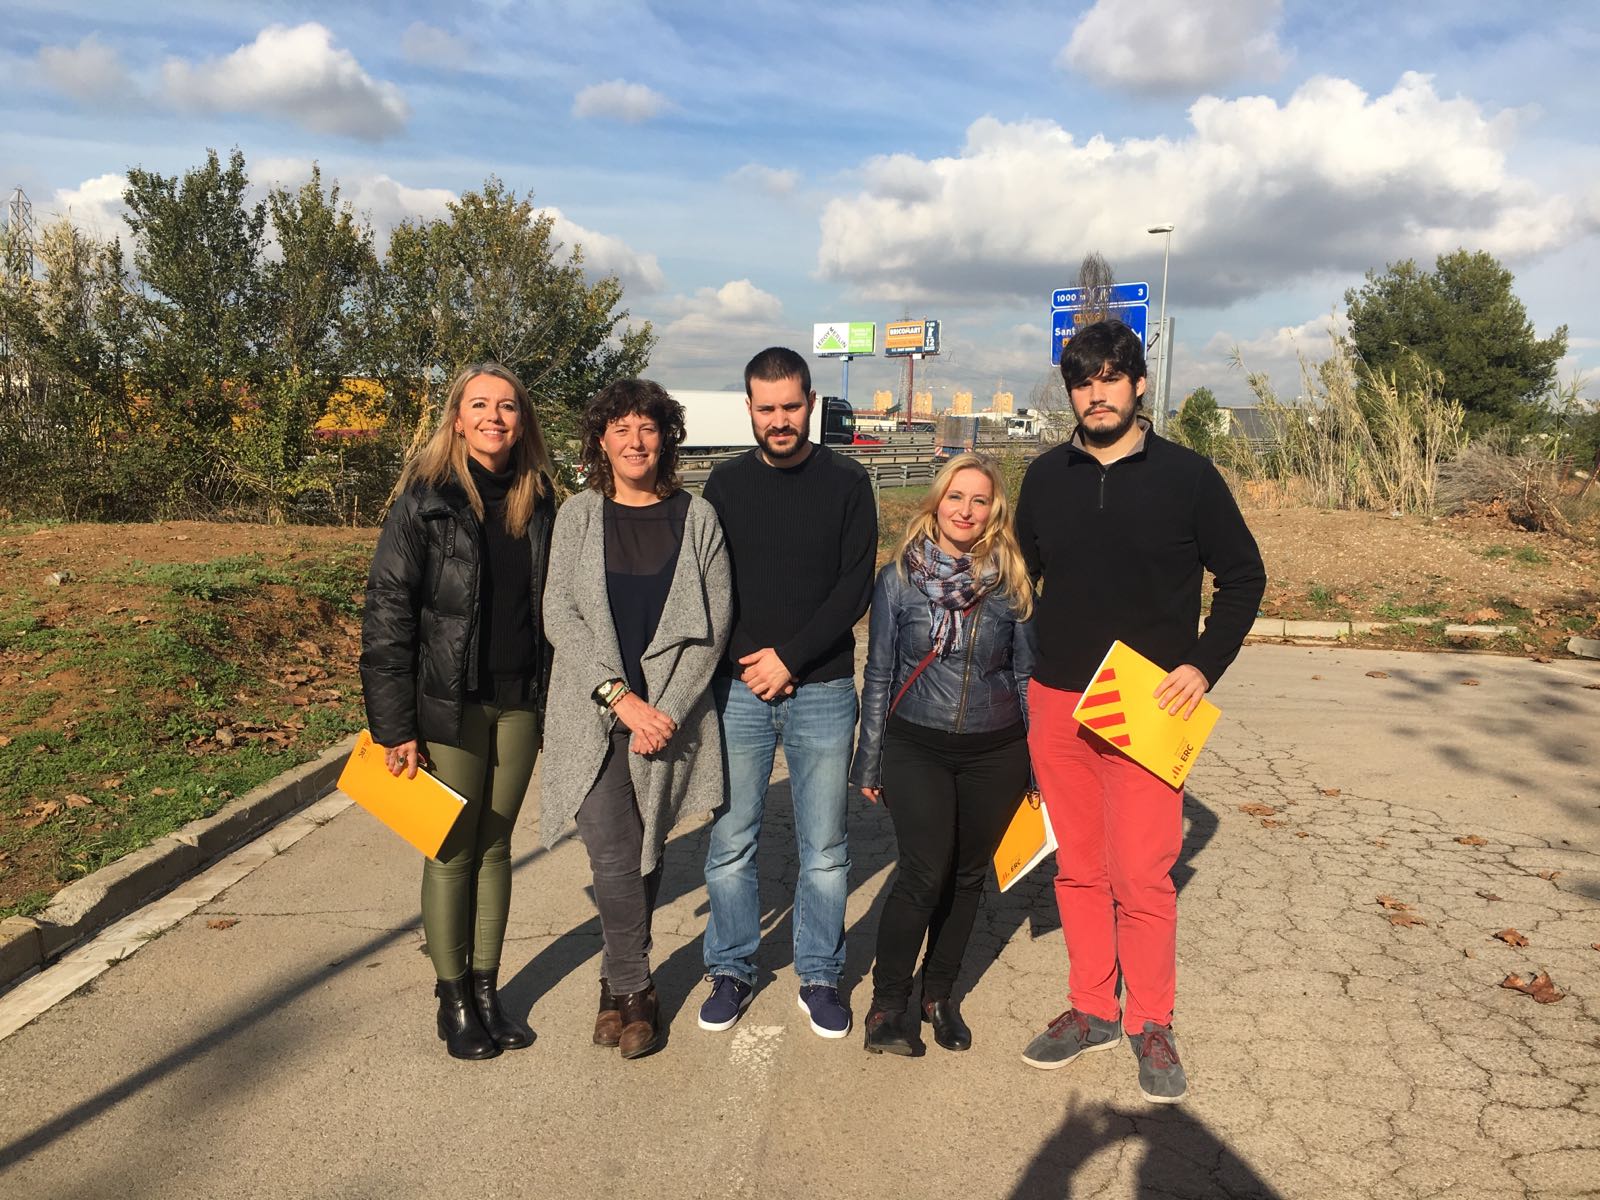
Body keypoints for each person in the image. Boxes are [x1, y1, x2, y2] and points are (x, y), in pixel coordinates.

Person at [1014, 320, 1266, 1102]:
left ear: (1139, 384)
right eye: (1083, 382)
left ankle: (1150, 1020)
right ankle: (1092, 1007)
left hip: (1147, 703)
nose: (1097, 393)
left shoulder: (1189, 477)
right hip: (1057, 698)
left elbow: (1244, 578)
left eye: (1111, 378)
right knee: (1079, 870)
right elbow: (1023, 584)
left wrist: (1201, 665)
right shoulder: (1045, 476)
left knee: (1144, 875)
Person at [360, 362, 557, 1061]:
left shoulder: (540, 501)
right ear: (457, 418)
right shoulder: (424, 502)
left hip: (519, 703)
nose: (495, 418)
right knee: (452, 850)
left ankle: (486, 989)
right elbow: (387, 615)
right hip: (449, 707)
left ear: (522, 422)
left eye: (508, 407)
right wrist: (394, 725)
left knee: (498, 846)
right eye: (480, 405)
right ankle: (451, 1000)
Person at [541, 379, 732, 1059]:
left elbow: (712, 629)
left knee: (647, 850)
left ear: (666, 437)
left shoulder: (697, 518)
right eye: (619, 428)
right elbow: (558, 615)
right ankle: (637, 989)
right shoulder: (578, 517)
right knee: (613, 850)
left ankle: (609, 988)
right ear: (599, 440)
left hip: (669, 718)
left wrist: (665, 712)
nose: (634, 440)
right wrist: (621, 699)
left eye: (647, 427)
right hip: (589, 714)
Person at [698, 346, 877, 1039]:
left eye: (791, 406)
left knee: (825, 847)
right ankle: (733, 966)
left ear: (811, 403)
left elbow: (853, 585)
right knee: (731, 839)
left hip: (824, 687)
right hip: (739, 688)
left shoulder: (848, 482)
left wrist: (791, 659)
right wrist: (750, 664)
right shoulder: (724, 486)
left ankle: (821, 974)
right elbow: (712, 587)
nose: (780, 420)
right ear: (750, 409)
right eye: (766, 408)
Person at [849, 453, 1036, 1057]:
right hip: (916, 742)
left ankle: (939, 997)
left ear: (994, 511)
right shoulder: (898, 577)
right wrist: (869, 757)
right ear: (937, 502)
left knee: (969, 876)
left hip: (996, 748)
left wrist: (1037, 761)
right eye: (956, 497)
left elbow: (1027, 674)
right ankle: (887, 1005)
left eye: (979, 500)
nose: (966, 510)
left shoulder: (1011, 580)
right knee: (925, 871)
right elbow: (879, 673)